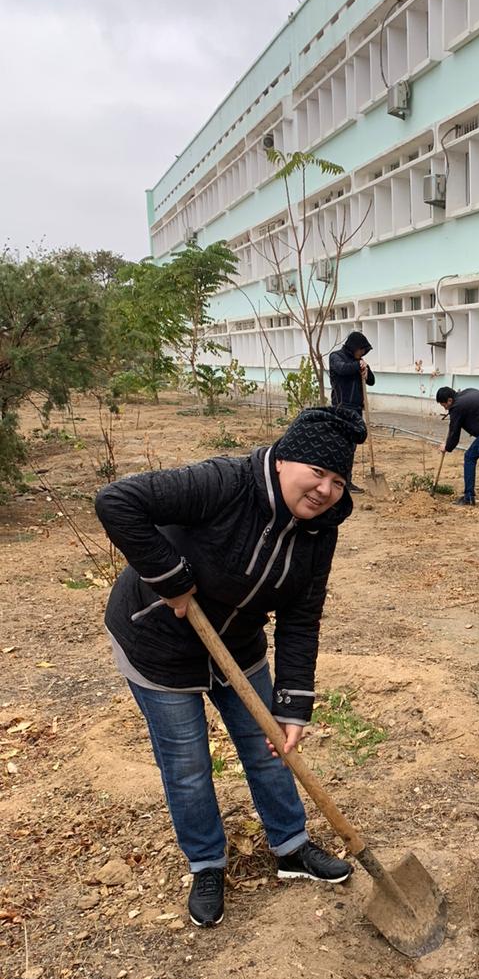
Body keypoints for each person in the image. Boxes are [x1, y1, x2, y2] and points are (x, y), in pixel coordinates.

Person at [95, 406, 367, 929]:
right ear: (286, 459)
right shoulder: (225, 482)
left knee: (269, 749)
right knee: (189, 766)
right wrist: (169, 575)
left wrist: (293, 702)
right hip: (158, 642)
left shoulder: (320, 530)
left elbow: (300, 616)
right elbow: (117, 501)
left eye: (338, 481)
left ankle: (290, 847)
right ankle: (207, 864)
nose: (326, 490)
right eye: (318, 473)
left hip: (237, 647)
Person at [329, 331, 375, 412]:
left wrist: (366, 370)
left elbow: (371, 381)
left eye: (364, 350)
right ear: (353, 347)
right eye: (361, 350)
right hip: (341, 406)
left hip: (357, 407)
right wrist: (357, 365)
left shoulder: (359, 361)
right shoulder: (336, 356)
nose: (363, 353)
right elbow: (342, 369)